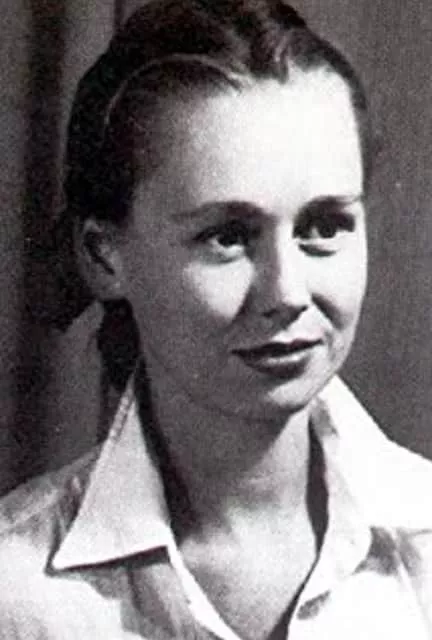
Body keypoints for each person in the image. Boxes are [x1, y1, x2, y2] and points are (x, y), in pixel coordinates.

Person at [1, 1, 432, 638]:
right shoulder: (16, 593)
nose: (287, 293)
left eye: (324, 227)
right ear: (104, 257)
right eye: (227, 236)